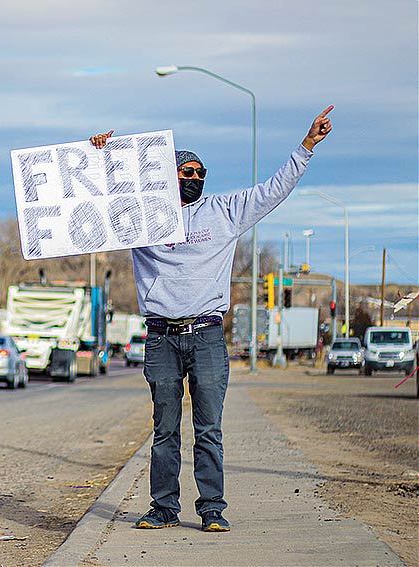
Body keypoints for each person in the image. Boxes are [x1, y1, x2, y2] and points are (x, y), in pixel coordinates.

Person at [90, 105, 333, 532]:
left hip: (206, 336)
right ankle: (163, 508)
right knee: (164, 430)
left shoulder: (224, 211)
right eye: (186, 172)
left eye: (201, 173)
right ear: (167, 177)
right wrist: (99, 159)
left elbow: (274, 189)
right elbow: (89, 206)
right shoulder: (138, 219)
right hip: (161, 338)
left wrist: (307, 146)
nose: (196, 178)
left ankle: (212, 511)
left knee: (209, 431)